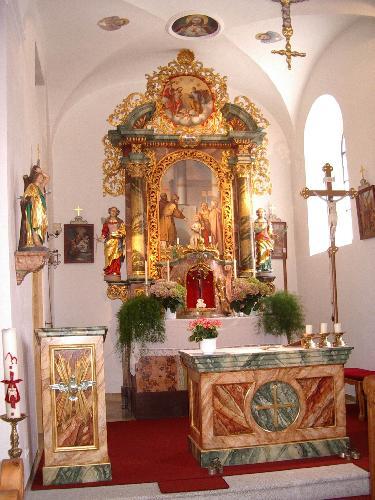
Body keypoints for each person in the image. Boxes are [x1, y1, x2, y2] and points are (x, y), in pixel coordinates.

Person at [18, 163, 49, 249]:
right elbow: (26, 197)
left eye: (41, 177)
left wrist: (41, 171)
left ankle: (39, 241)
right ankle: (36, 241)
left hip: (42, 209)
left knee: (42, 225)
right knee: (35, 224)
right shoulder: (31, 186)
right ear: (35, 177)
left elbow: (47, 178)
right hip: (35, 209)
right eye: (39, 176)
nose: (41, 178)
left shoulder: (41, 186)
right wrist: (30, 198)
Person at [100, 207, 126, 281]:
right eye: (112, 211)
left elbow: (123, 232)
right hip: (109, 242)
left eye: (115, 211)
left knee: (116, 257)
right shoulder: (106, 221)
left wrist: (117, 234)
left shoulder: (120, 221)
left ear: (117, 212)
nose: (113, 212)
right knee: (108, 256)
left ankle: (116, 271)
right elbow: (104, 231)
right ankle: (109, 271)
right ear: (109, 212)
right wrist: (101, 237)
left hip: (117, 241)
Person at [254, 208, 274, 272]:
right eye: (260, 212)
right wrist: (262, 226)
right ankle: (260, 266)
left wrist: (272, 235)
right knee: (261, 251)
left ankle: (267, 267)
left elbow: (269, 232)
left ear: (264, 213)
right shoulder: (256, 221)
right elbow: (256, 230)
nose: (261, 213)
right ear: (257, 213)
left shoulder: (267, 221)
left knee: (267, 252)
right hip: (260, 239)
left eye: (262, 212)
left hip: (267, 238)